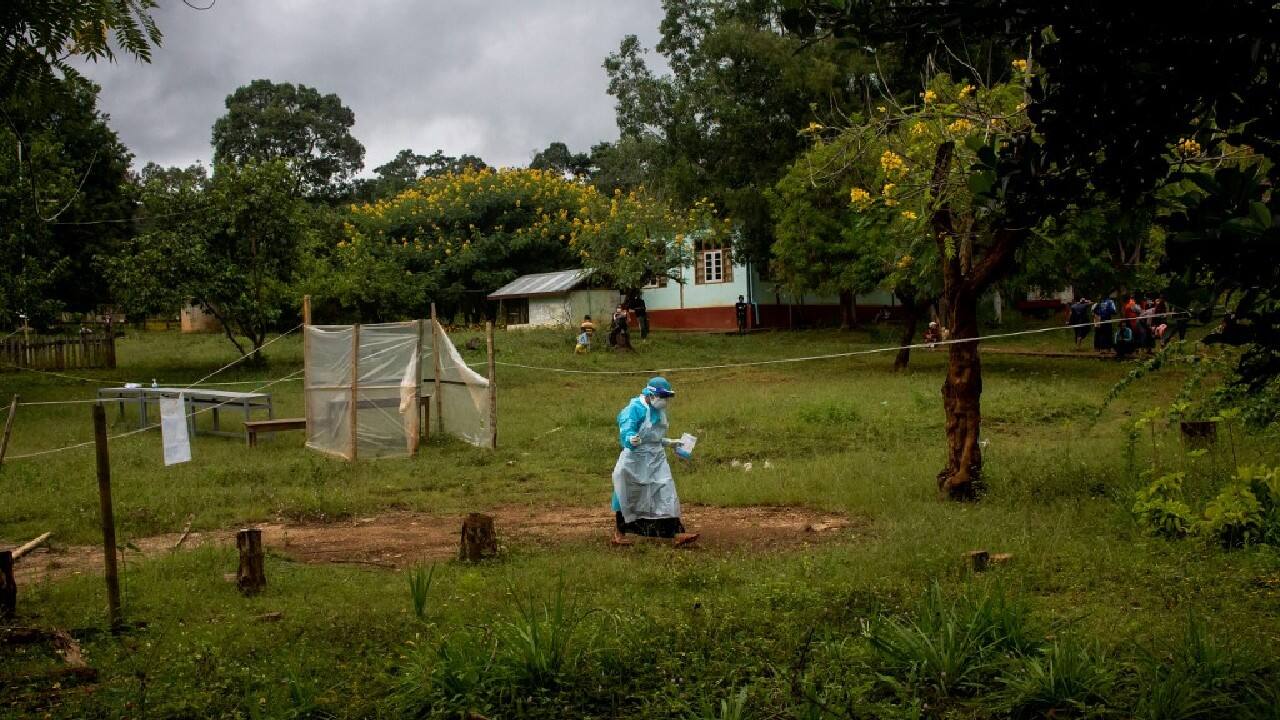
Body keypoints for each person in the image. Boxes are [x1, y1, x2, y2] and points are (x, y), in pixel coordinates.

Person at [610, 377, 698, 546]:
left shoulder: (658, 411)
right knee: (629, 494)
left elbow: (653, 438)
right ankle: (619, 533)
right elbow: (626, 429)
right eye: (662, 397)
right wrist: (629, 438)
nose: (664, 401)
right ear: (651, 394)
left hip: (657, 459)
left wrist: (671, 442)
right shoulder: (634, 408)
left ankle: (677, 533)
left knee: (666, 491)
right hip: (635, 460)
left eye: (667, 397)